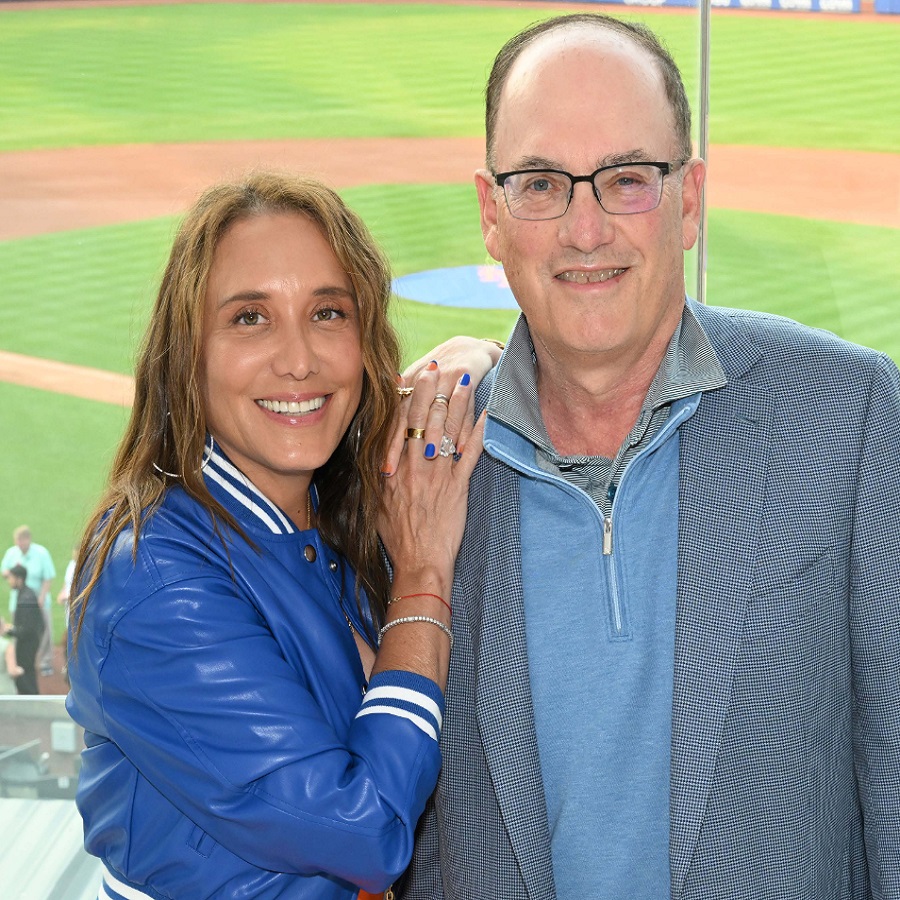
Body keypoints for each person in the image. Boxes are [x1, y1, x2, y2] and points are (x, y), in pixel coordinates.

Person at [399, 13, 900, 900]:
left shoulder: (849, 416)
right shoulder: (426, 461)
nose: (585, 229)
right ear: (491, 212)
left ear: (691, 199)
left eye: (628, 179)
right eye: (543, 183)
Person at [65, 171, 495, 900]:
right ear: (187, 354)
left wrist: (474, 352)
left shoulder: (320, 506)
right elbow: (362, 831)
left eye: (329, 313)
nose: (299, 360)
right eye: (249, 318)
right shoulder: (152, 581)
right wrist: (423, 577)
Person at [1, 525, 55, 675]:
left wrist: (42, 597)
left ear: (28, 539)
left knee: (44, 632)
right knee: (19, 632)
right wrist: (11, 573)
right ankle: (18, 662)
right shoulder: (12, 553)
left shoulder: (41, 553)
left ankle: (45, 662)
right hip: (18, 603)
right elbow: (4, 571)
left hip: (39, 602)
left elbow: (48, 577)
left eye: (21, 541)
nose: (19, 544)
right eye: (17, 541)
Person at [3, 564, 44, 695]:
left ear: (19, 579)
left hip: (27, 644)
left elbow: (27, 629)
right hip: (28, 641)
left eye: (11, 578)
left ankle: (33, 706)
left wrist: (9, 630)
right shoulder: (25, 594)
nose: (9, 581)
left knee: (26, 677)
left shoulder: (26, 598)